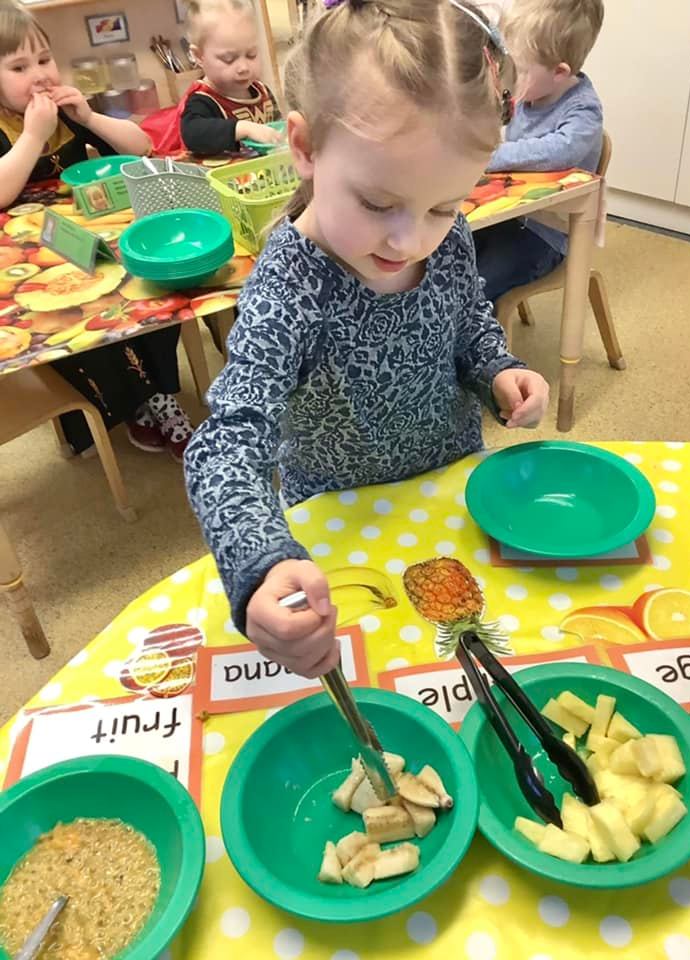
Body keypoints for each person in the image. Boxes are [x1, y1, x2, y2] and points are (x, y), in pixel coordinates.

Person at [184, 0, 549, 679]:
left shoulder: (450, 240)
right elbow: (226, 442)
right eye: (378, 204)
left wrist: (497, 368)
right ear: (304, 147)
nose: (412, 239)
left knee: (478, 669)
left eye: (444, 205)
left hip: (452, 496)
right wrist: (260, 563)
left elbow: (466, 316)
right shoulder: (288, 285)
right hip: (338, 525)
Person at [0, 1, 195, 461]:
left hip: (86, 241)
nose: (40, 74)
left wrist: (88, 118)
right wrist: (31, 136)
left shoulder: (64, 110)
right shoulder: (18, 124)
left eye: (44, 59)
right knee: (81, 321)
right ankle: (133, 405)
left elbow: (142, 147)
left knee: (151, 288)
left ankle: (157, 395)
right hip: (28, 266)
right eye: (19, 66)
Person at [473, 0, 604, 304]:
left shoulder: (583, 110)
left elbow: (560, 150)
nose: (509, 79)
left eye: (518, 71)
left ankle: (473, 347)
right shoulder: (530, 90)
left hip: (544, 238)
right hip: (504, 216)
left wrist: (494, 156)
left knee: (476, 288)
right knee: (445, 259)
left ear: (559, 72)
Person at [180, 0, 283, 156]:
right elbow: (192, 134)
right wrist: (242, 128)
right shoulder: (202, 100)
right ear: (198, 56)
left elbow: (277, 127)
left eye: (251, 55)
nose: (243, 67)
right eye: (229, 59)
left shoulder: (262, 91)